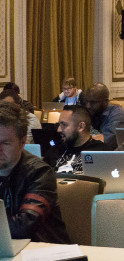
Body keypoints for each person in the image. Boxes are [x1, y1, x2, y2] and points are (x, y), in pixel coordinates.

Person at [0, 102, 70, 243]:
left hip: (45, 253)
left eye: (5, 143)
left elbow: (24, 225)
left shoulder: (40, 173)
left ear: (23, 141)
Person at [44, 105, 105, 173]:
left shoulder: (101, 152)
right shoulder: (55, 150)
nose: (59, 130)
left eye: (64, 125)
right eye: (59, 125)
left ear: (81, 127)